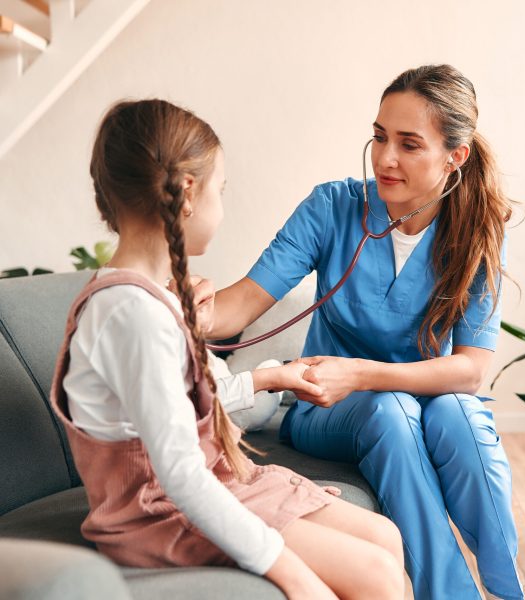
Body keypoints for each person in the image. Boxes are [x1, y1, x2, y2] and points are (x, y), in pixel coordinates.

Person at [49, 99, 405, 600]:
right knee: (377, 574)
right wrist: (292, 571)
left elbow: (192, 399)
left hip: (197, 488)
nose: (223, 204)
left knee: (384, 538)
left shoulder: (147, 299)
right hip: (158, 515)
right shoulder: (131, 315)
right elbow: (182, 479)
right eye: (222, 189)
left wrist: (270, 382)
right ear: (188, 193)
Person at [209, 65, 524, 600]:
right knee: (390, 411)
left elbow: (471, 369)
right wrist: (155, 304)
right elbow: (238, 306)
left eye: (408, 144)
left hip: (425, 403)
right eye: (379, 137)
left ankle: (506, 588)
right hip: (323, 410)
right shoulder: (331, 208)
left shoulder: (475, 231)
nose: (385, 158)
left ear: (456, 155)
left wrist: (361, 374)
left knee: (459, 415)